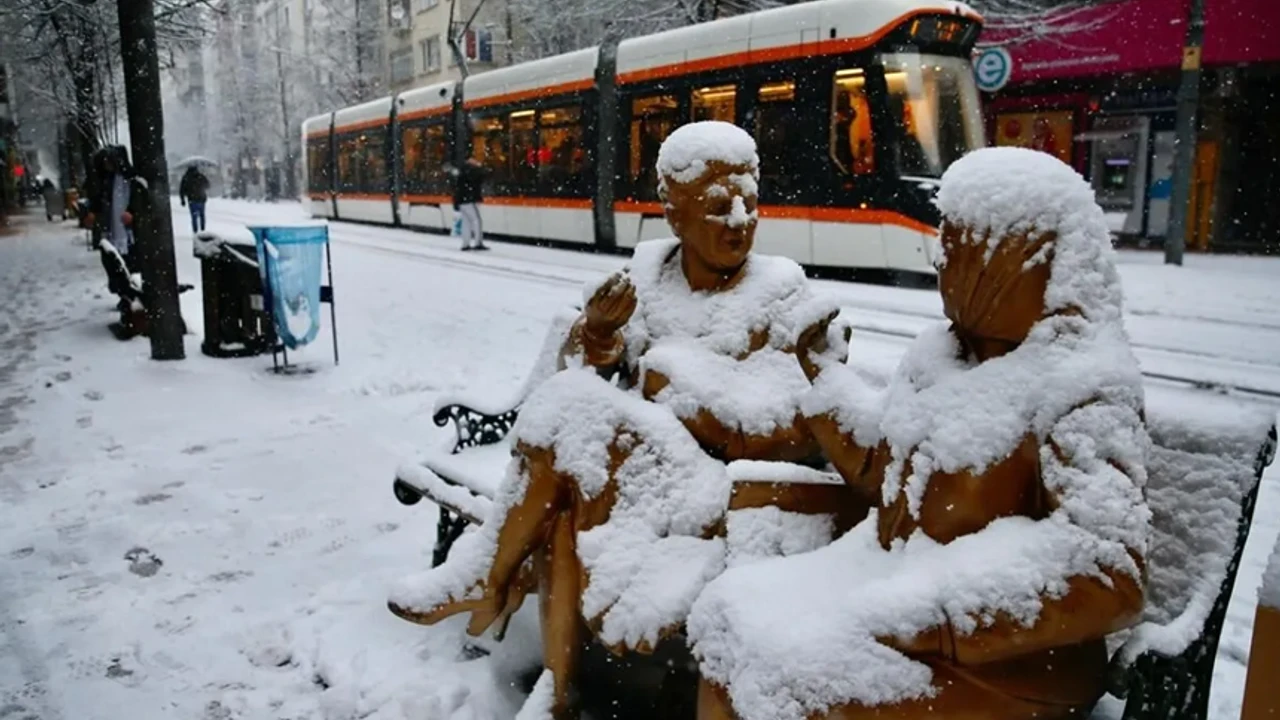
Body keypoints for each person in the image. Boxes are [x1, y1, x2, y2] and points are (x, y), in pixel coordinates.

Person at [389, 122, 841, 719]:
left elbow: (791, 430)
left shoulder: (782, 294)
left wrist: (681, 390)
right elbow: (580, 371)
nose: (739, 220)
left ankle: (491, 577)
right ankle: (555, 687)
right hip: (640, 487)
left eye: (750, 203)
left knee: (571, 435)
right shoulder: (649, 277)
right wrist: (599, 334)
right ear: (675, 216)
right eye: (717, 205)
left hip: (726, 496)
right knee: (566, 494)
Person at [690, 146, 1150, 720]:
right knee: (724, 620)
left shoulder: (1084, 386)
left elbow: (1109, 567)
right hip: (885, 590)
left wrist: (934, 614)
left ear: (1020, 256)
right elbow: (885, 469)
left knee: (791, 681)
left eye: (956, 246)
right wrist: (823, 374)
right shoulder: (940, 354)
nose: (940, 262)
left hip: (1008, 666)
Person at [451, 156, 487, 251]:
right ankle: (478, 243)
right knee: (476, 220)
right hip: (468, 200)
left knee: (466, 222)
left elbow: (458, 187)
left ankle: (465, 244)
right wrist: (480, 167)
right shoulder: (471, 170)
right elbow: (480, 178)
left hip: (462, 200)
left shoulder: (463, 170)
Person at [179, 164, 210, 234]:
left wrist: (182, 199)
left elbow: (182, 190)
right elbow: (208, 185)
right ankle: (203, 230)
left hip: (192, 199)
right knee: (202, 215)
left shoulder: (186, 177)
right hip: (201, 199)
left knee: (194, 216)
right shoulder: (201, 176)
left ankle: (195, 231)